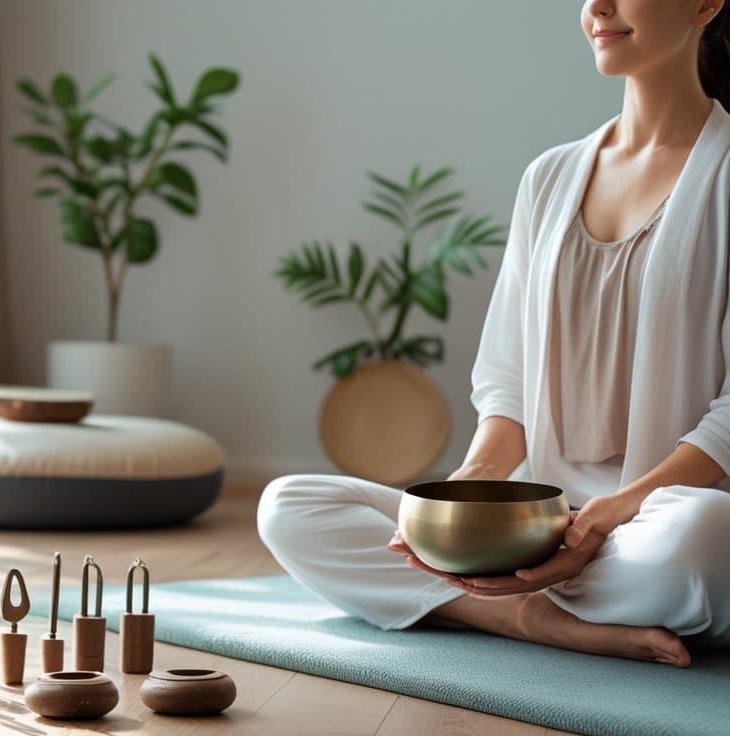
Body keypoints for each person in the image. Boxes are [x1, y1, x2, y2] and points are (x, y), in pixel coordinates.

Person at [257, 0, 730, 667]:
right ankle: (532, 615)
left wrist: (609, 516)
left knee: (703, 537)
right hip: (535, 529)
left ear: (705, 4)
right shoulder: (550, 177)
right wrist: (466, 500)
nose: (597, 7)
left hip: (652, 523)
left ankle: (506, 600)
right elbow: (507, 382)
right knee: (288, 506)